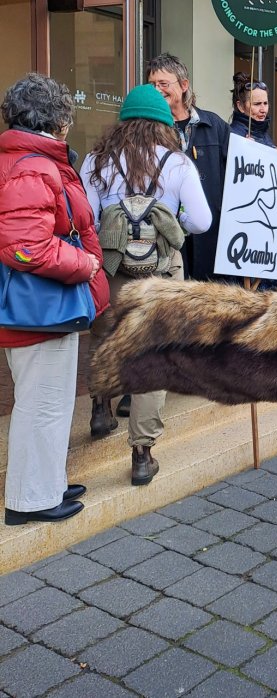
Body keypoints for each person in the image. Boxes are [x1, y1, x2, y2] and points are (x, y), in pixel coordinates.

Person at [81, 84, 212, 486]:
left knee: (106, 339)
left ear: (123, 123)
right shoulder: (177, 165)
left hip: (111, 271)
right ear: (163, 124)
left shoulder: (95, 162)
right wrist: (171, 224)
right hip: (161, 274)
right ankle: (142, 453)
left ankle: (101, 408)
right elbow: (202, 221)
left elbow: (86, 217)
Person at [0, 74, 109, 525]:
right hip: (41, 310)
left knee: (48, 400)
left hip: (41, 308)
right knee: (42, 403)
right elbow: (26, 246)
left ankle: (46, 483)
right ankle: (30, 501)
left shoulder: (27, 160)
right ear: (58, 120)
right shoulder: (34, 165)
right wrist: (84, 264)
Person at [146, 52, 229, 281]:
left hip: (209, 235)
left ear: (184, 85)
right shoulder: (147, 129)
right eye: (151, 84)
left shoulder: (214, 126)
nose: (156, 90)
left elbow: (242, 167)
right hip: (165, 236)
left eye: (163, 84)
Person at [229, 72, 277, 163]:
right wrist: (241, 150)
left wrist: (276, 152)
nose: (263, 110)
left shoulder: (263, 134)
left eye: (265, 103)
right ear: (240, 106)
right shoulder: (232, 136)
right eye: (257, 104)